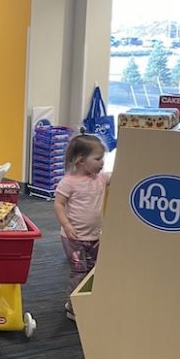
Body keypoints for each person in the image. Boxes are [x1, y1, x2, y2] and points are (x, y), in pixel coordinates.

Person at [55, 133, 110, 321]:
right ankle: (73, 307)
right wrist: (66, 224)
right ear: (80, 160)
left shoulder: (100, 178)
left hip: (94, 237)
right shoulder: (68, 183)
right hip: (74, 238)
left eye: (103, 158)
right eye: (97, 158)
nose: (102, 162)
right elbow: (59, 204)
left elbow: (121, 174)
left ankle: (88, 300)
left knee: (94, 269)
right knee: (79, 271)